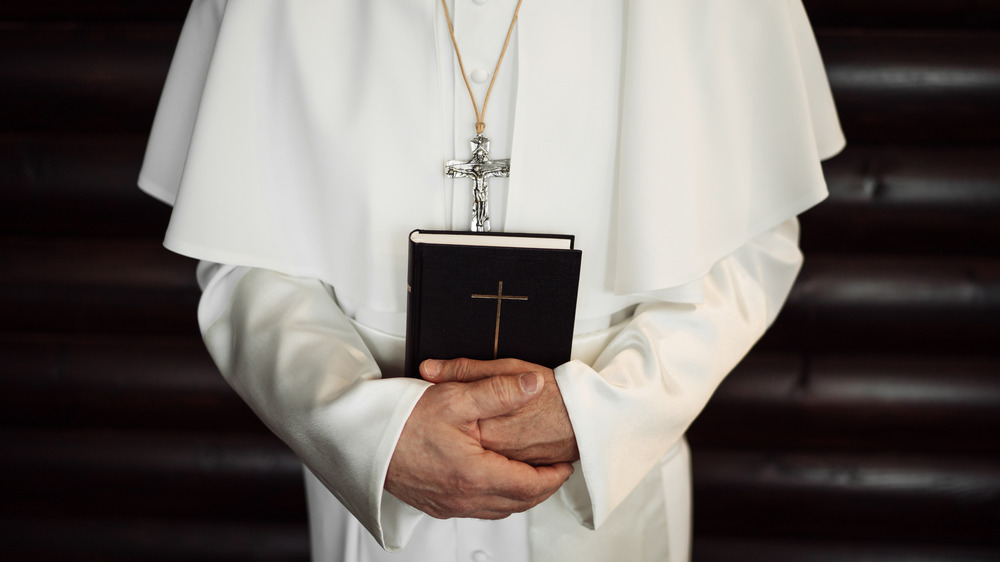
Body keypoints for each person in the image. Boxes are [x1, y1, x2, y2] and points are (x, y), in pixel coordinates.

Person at [138, 1, 844, 560]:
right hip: (383, 511)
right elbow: (244, 251)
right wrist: (367, 432)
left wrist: (605, 415)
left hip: (608, 511)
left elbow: (754, 241)